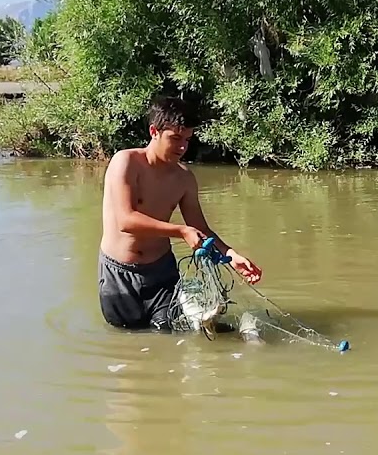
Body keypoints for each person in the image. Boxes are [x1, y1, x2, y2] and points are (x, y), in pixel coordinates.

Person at [97, 96, 263, 331]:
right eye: (175, 138)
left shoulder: (184, 179)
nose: (183, 147)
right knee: (128, 339)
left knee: (170, 331)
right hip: (119, 273)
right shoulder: (125, 162)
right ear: (154, 131)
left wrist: (232, 255)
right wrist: (181, 231)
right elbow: (126, 220)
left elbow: (201, 228)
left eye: (187, 140)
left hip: (161, 271)